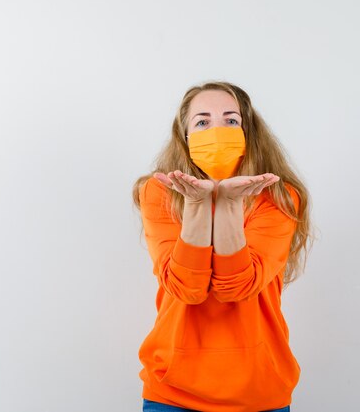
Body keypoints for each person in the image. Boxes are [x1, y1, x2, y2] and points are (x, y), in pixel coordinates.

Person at [132, 81, 314, 412]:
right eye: (202, 122)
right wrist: (198, 206)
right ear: (185, 137)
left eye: (231, 120)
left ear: (249, 132)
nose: (217, 130)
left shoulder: (279, 197)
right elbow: (186, 288)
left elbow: (237, 287)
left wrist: (229, 204)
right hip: (172, 392)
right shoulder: (158, 192)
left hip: (259, 391)